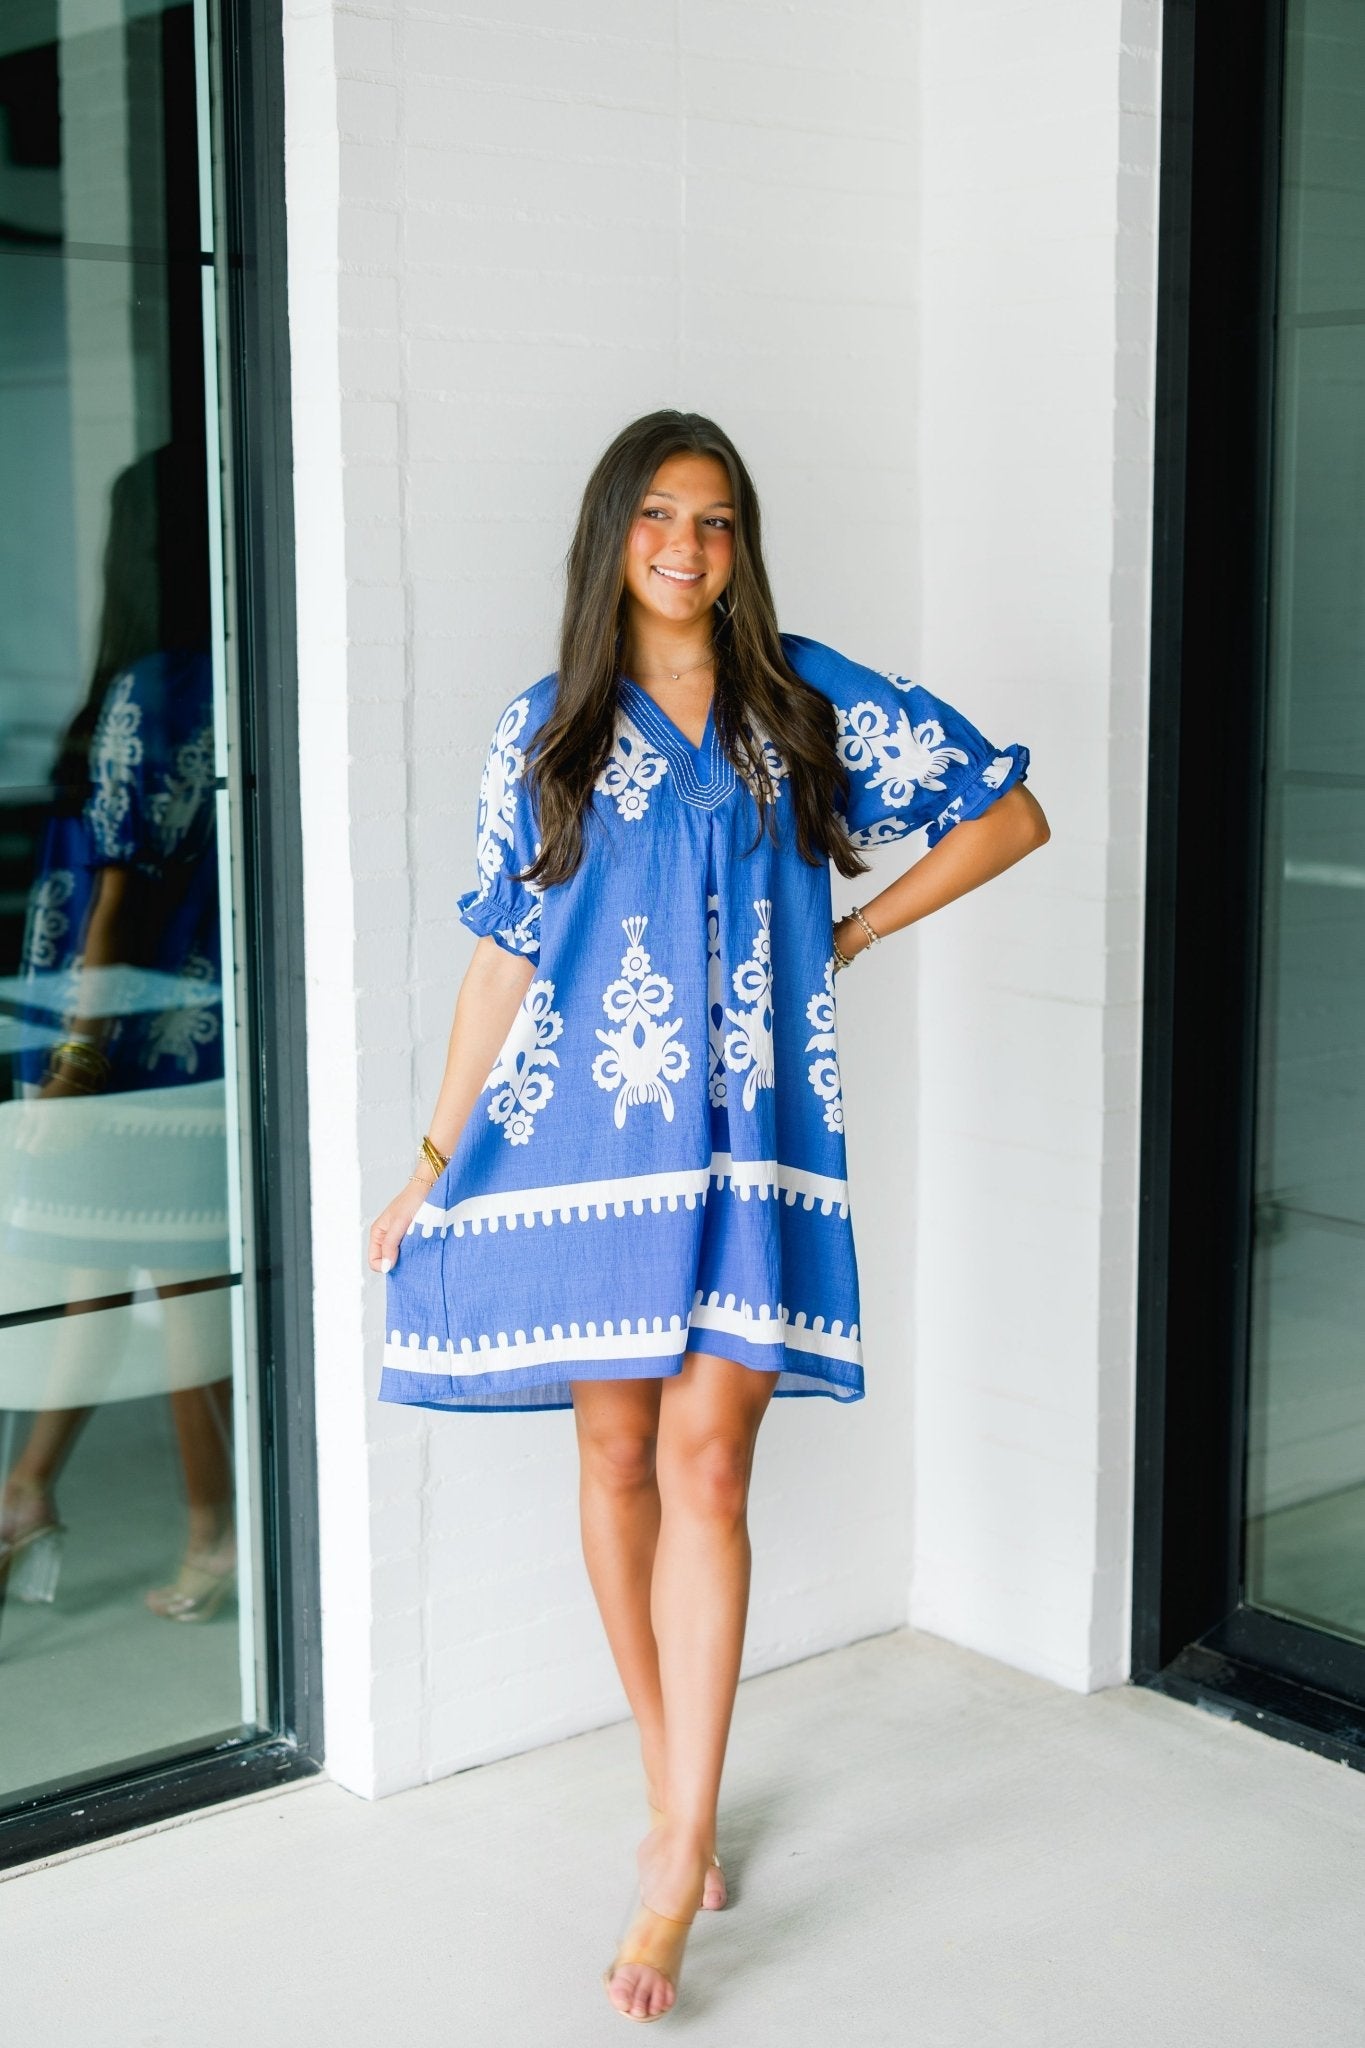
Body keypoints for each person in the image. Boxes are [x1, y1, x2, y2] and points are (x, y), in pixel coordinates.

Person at [367, 410, 1050, 2021]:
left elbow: (1004, 815)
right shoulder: (545, 728)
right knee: (610, 1456)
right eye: (660, 514)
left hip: (749, 1141)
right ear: (613, 533)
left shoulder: (798, 703)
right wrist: (429, 1153)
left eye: (719, 519)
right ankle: (679, 1791)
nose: (688, 543)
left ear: (742, 546)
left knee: (707, 1459)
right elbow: (498, 957)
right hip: (579, 1148)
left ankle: (671, 1863)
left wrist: (852, 937)